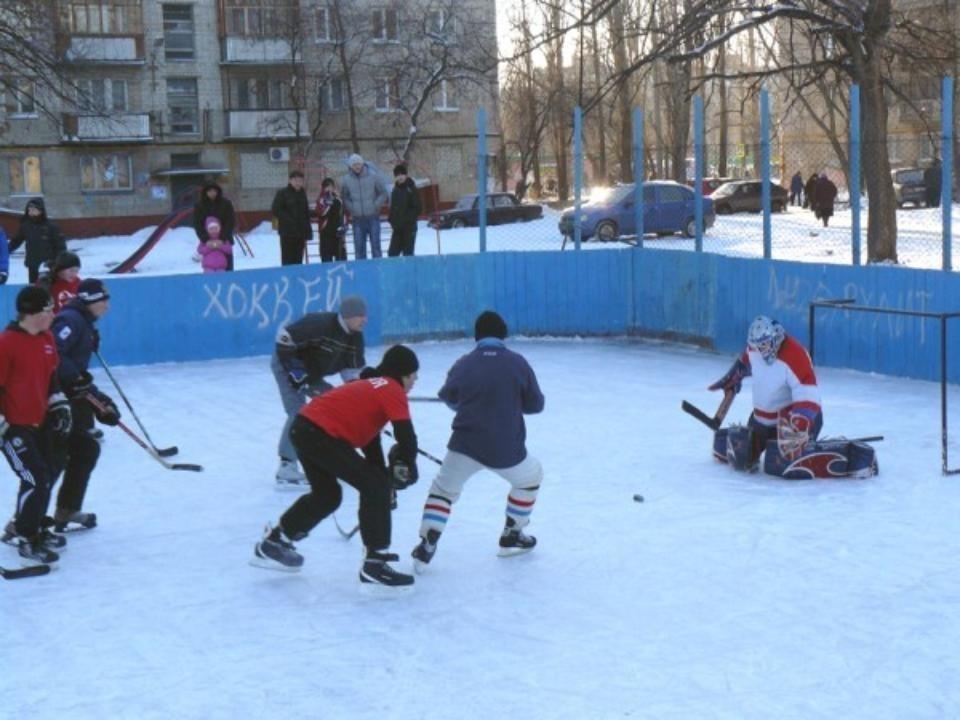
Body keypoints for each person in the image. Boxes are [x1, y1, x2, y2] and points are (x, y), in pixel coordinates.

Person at [252, 345, 421, 589]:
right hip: (319, 433)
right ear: (403, 374)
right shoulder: (390, 387)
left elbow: (371, 446)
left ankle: (275, 542)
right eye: (414, 375)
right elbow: (406, 436)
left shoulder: (370, 387)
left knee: (328, 496)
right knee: (373, 486)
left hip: (303, 428)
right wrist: (407, 468)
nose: (415, 381)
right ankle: (374, 564)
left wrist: (385, 485)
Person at [411, 310, 545, 571]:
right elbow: (535, 404)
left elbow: (449, 397)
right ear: (503, 335)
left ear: (477, 337)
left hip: (465, 444)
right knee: (530, 478)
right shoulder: (518, 363)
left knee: (443, 490)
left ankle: (427, 543)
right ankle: (512, 535)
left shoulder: (463, 364)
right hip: (507, 447)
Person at [0, 286, 72, 565]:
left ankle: (37, 524)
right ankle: (26, 537)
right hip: (12, 427)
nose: (53, 314)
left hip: (39, 421)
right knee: (35, 477)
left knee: (52, 469)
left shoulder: (46, 338)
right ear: (30, 313)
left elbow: (50, 377)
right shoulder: (6, 344)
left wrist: (59, 403)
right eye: (47, 310)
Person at [272, 295, 368, 487]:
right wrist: (297, 375)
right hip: (287, 366)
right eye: (360, 316)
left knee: (334, 408)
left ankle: (326, 458)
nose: (365, 320)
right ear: (348, 316)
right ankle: (286, 466)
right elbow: (284, 338)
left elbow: (352, 374)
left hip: (312, 375)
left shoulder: (355, 339)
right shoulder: (321, 324)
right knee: (298, 412)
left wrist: (360, 400)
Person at [49, 278, 120, 533]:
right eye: (104, 301)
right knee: (61, 456)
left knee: (85, 450)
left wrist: (101, 402)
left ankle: (66, 509)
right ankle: (27, 521)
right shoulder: (70, 320)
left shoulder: (83, 322)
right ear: (91, 301)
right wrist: (76, 379)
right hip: (59, 398)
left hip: (74, 393)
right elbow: (54, 352)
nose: (107, 307)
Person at [708, 315, 822, 471]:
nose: (762, 351)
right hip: (761, 423)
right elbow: (745, 364)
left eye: (765, 344)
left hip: (790, 424)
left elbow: (808, 392)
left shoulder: (795, 353)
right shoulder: (755, 349)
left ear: (775, 336)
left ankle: (807, 446)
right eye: (757, 346)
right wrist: (733, 379)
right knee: (740, 458)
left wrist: (800, 424)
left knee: (782, 466)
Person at [340, 154, 388, 260]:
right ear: (351, 166)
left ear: (362, 164)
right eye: (354, 164)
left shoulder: (373, 176)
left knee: (376, 247)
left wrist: (375, 205)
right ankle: (361, 273)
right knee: (359, 249)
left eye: (358, 164)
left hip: (373, 217)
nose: (357, 166)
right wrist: (352, 208)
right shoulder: (346, 179)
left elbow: (384, 193)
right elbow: (344, 196)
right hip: (357, 219)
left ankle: (377, 271)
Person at [9, 198, 65, 284]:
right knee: (34, 288)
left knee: (49, 288)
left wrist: (57, 262)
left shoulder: (51, 226)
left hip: (49, 265)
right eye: (29, 209)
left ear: (40, 210)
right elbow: (16, 241)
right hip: (33, 264)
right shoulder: (26, 226)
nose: (30, 211)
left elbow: (60, 246)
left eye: (33, 209)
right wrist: (5, 250)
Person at [271, 170, 313, 266]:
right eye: (296, 180)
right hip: (287, 233)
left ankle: (297, 278)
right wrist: (288, 220)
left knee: (298, 259)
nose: (298, 183)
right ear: (290, 180)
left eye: (300, 180)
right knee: (287, 259)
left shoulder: (303, 194)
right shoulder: (283, 193)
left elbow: (306, 213)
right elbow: (275, 209)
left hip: (300, 233)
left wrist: (308, 231)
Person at [192, 183, 236, 270]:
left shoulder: (226, 203)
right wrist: (206, 240)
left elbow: (230, 221)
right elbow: (197, 224)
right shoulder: (199, 206)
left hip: (224, 240)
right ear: (205, 192)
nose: (212, 193)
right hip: (208, 242)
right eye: (210, 191)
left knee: (228, 268)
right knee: (210, 267)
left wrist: (222, 239)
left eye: (214, 191)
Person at [387, 163, 422, 257]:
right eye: (397, 175)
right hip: (397, 228)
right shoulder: (395, 190)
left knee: (408, 254)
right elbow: (393, 207)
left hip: (409, 228)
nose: (400, 177)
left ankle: (408, 271)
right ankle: (396, 271)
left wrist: (408, 219)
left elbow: (418, 208)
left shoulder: (411, 188)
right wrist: (391, 219)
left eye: (402, 174)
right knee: (392, 253)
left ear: (406, 175)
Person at [316, 178, 346, 262]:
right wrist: (328, 203)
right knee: (326, 258)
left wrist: (344, 225)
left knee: (341, 257)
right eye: (327, 186)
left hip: (338, 232)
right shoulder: (321, 199)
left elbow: (343, 213)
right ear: (323, 188)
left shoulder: (338, 199)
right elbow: (321, 212)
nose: (329, 188)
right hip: (326, 233)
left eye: (331, 186)